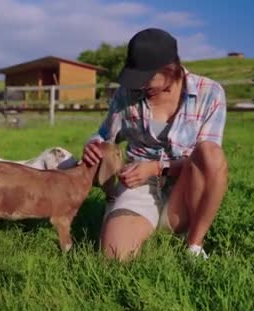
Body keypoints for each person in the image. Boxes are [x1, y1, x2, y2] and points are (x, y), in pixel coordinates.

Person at [82, 28, 228, 261]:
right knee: (114, 256)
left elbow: (207, 163)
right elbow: (103, 134)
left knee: (211, 153)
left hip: (187, 187)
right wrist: (94, 145)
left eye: (147, 78)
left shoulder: (210, 93)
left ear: (171, 69)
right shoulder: (127, 94)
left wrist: (157, 167)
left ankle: (194, 245)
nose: (139, 85)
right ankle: (144, 224)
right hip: (138, 184)